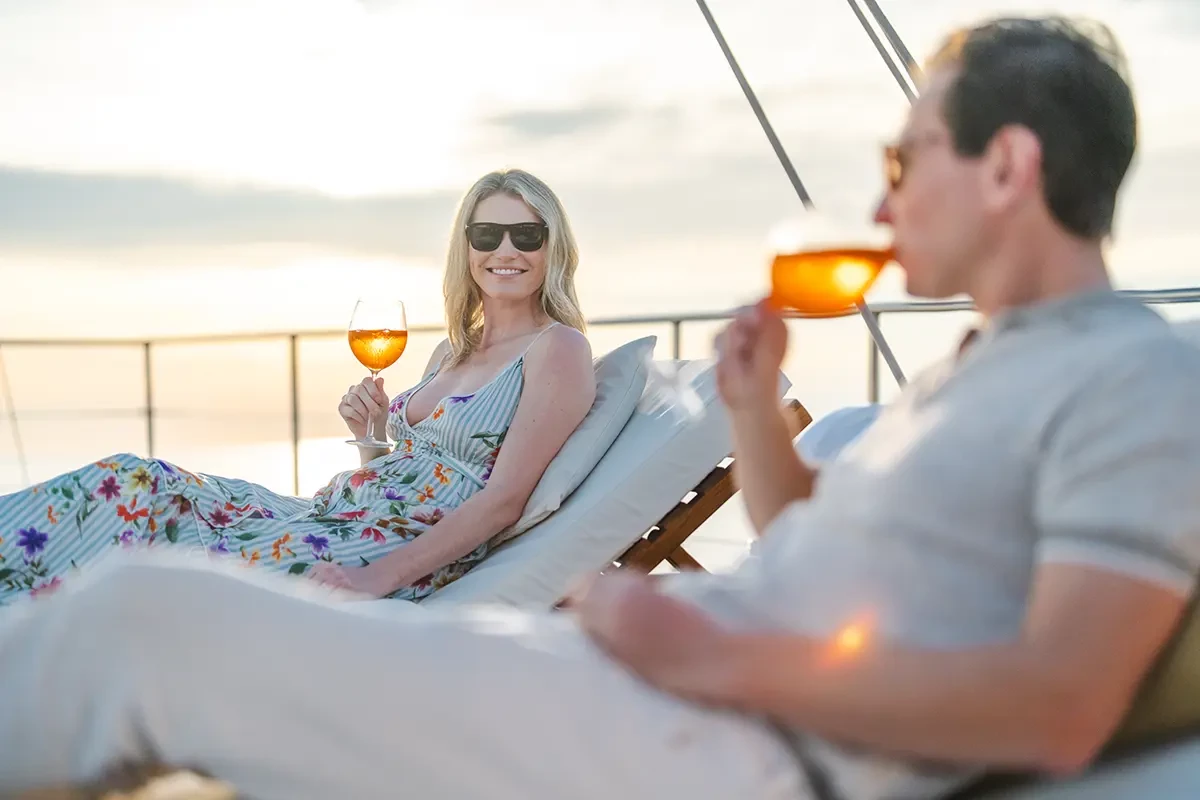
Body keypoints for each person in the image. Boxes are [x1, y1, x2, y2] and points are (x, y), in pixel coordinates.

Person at [3, 15, 1200, 800]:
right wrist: (746, 415)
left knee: (147, 615)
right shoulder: (977, 374)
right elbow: (822, 555)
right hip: (670, 682)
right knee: (148, 608)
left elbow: (1058, 703)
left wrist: (719, 646)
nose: (881, 205)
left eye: (905, 160)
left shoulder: (1136, 378)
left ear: (1007, 169)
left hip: (739, 741)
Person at [0, 168, 597, 605]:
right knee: (142, 481)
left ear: (553, 247)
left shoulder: (557, 349)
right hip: (332, 513)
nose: (507, 251)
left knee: (164, 550)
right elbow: (404, 469)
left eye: (528, 235)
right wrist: (369, 437)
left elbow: (503, 501)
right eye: (488, 234)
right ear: (465, 248)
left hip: (378, 551)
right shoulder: (452, 350)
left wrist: (376, 577)